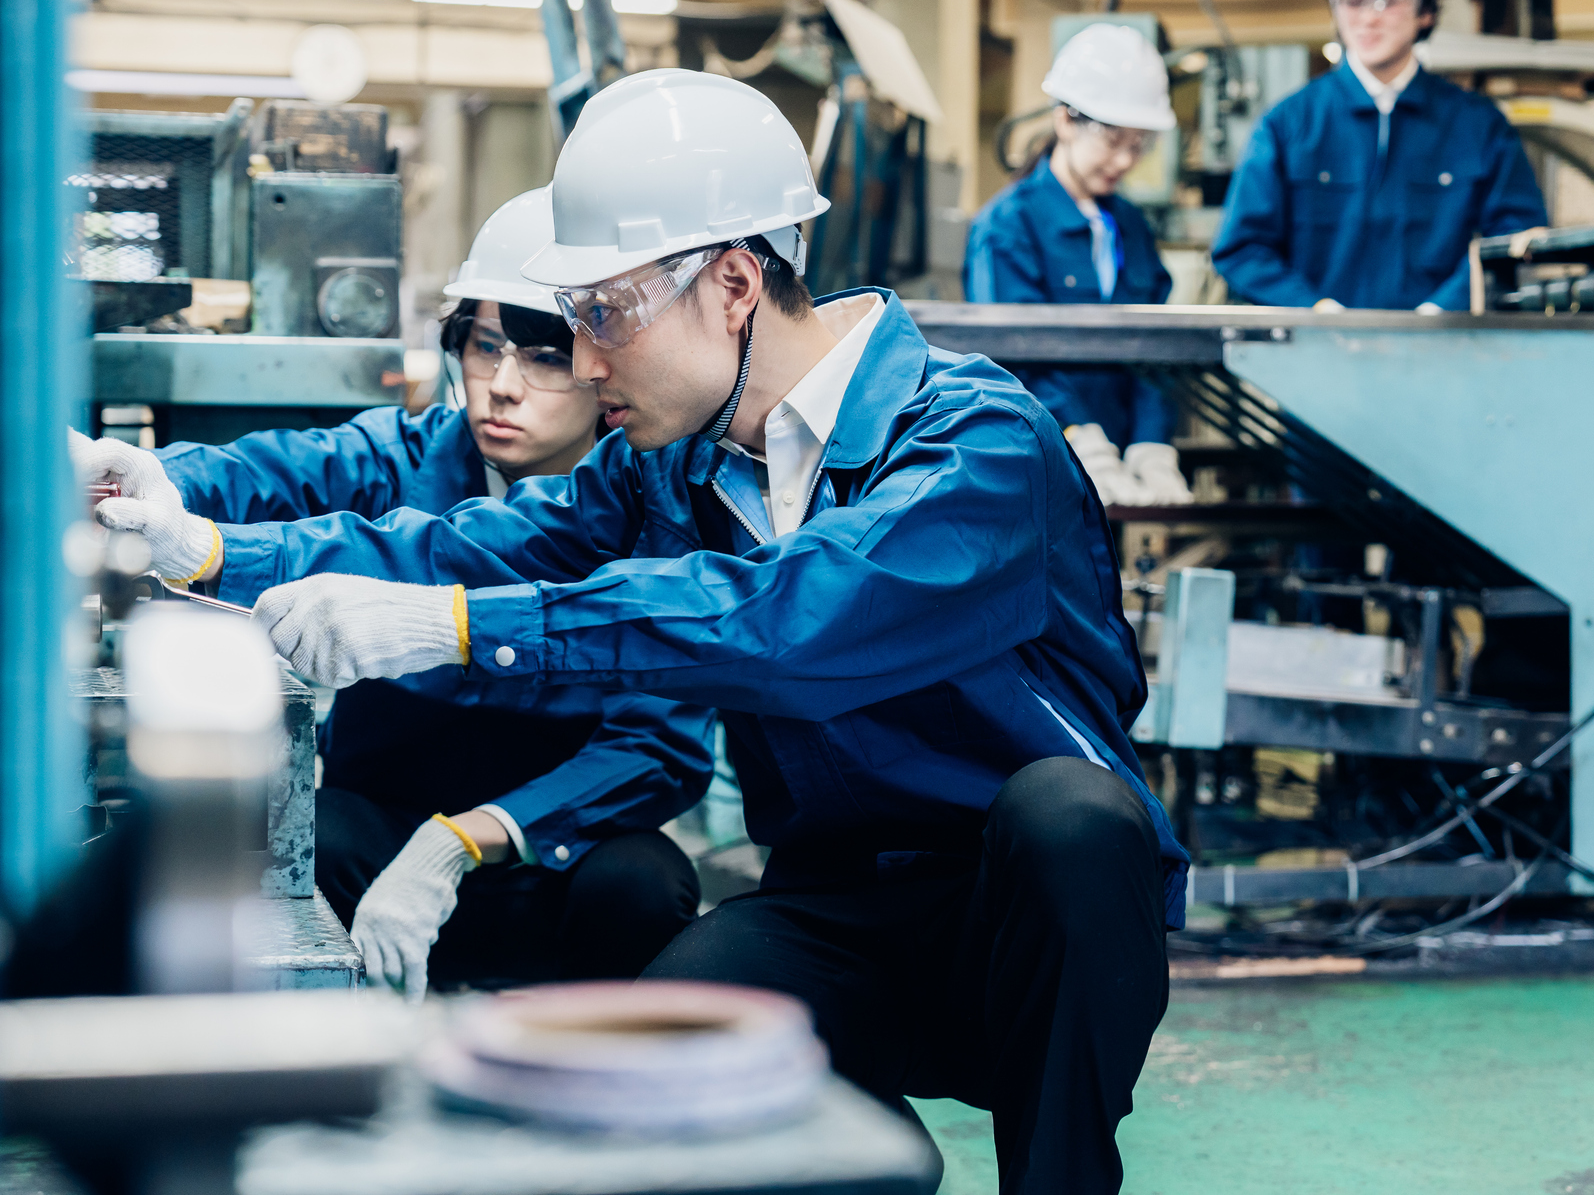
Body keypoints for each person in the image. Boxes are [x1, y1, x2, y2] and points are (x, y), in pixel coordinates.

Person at [99, 69, 1188, 1195]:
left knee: (1070, 816)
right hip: (844, 898)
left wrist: (458, 630)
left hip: (1032, 921)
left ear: (732, 281)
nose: (585, 362)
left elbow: (789, 621)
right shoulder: (671, 465)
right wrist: (206, 546)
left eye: (604, 315)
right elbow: (477, 543)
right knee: (673, 1057)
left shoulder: (976, 442)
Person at [70, 188, 713, 1002]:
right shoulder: (400, 458)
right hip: (379, 826)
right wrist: (135, 479)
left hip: (557, 841)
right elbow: (264, 474)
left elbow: (659, 748)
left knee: (642, 885)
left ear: (599, 361)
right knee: (311, 845)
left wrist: (462, 844)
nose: (502, 385)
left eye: (543, 355)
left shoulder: (651, 505)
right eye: (484, 347)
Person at [1211, 0, 1547, 313]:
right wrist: (1313, 309)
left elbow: (1518, 236)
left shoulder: (1479, 127)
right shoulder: (1288, 126)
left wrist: (1444, 310)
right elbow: (1241, 250)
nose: (1367, 19)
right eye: (1352, 0)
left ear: (1425, 10)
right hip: (1316, 361)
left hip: (1442, 360)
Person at [964, 23, 1192, 505]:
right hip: (1042, 457)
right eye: (1113, 141)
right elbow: (1014, 351)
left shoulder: (1130, 224)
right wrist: (1074, 432)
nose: (1127, 160)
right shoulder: (1008, 226)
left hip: (1124, 465)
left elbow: (1157, 344)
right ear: (1066, 120)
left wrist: (1152, 440)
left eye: (1139, 144)